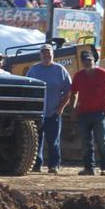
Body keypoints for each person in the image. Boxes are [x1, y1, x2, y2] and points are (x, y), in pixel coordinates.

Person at [68, 51, 105, 176]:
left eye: (90, 61)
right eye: (85, 61)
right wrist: (73, 108)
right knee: (85, 143)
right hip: (83, 114)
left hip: (99, 113)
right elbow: (74, 93)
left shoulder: (102, 73)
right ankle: (88, 168)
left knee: (102, 140)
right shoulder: (79, 76)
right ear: (82, 62)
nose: (88, 63)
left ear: (93, 61)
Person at [26, 44, 72, 174]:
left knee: (53, 141)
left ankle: (54, 165)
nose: (46, 56)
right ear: (40, 55)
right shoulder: (34, 70)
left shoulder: (60, 70)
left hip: (53, 112)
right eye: (44, 53)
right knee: (36, 141)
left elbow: (69, 90)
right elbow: (28, 89)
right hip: (37, 113)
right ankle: (36, 165)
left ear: (52, 55)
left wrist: (61, 107)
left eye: (49, 54)